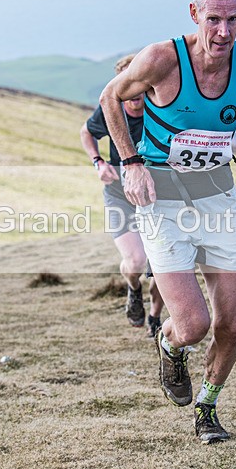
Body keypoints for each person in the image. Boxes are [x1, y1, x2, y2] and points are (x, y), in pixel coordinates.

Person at [98, 0, 236, 444]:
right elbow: (111, 96)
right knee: (195, 324)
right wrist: (131, 161)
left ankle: (207, 407)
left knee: (233, 324)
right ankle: (170, 343)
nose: (223, 32)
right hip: (160, 198)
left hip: (216, 196)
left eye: (234, 19)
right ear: (194, 12)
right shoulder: (162, 58)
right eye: (214, 19)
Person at [80, 54, 165, 337]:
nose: (133, 90)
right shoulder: (109, 110)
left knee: (163, 269)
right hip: (119, 193)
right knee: (137, 261)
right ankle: (133, 288)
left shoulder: (160, 108)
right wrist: (98, 162)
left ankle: (154, 316)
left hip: (159, 195)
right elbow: (86, 132)